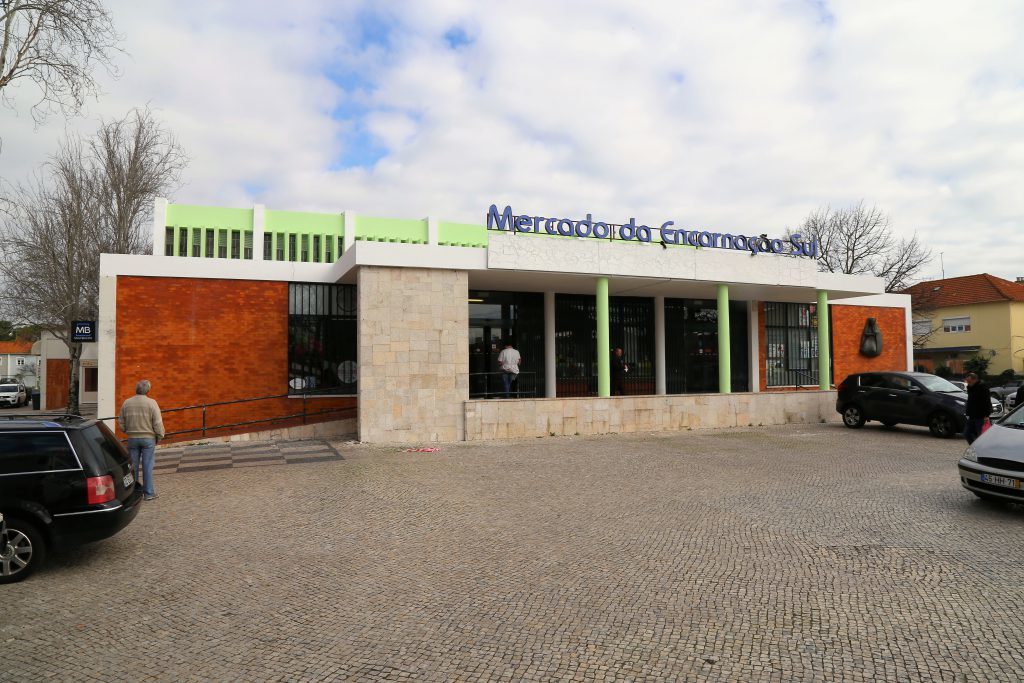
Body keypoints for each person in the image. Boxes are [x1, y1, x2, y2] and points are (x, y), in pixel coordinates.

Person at [118, 379, 166, 500]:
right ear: (148, 390)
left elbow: (121, 423)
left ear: (136, 389)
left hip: (132, 438)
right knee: (147, 466)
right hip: (148, 439)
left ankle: (134, 493)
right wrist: (159, 436)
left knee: (133, 467)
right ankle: (149, 493)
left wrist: (127, 431)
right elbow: (158, 423)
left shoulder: (127, 403)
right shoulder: (152, 403)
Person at [963, 373, 992, 445]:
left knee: (981, 435)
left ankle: (980, 450)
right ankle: (974, 447)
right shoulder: (971, 388)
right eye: (967, 382)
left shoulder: (983, 387)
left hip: (981, 416)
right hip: (972, 416)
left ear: (975, 380)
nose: (968, 384)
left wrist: (986, 415)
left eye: (969, 382)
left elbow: (987, 402)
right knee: (966, 433)